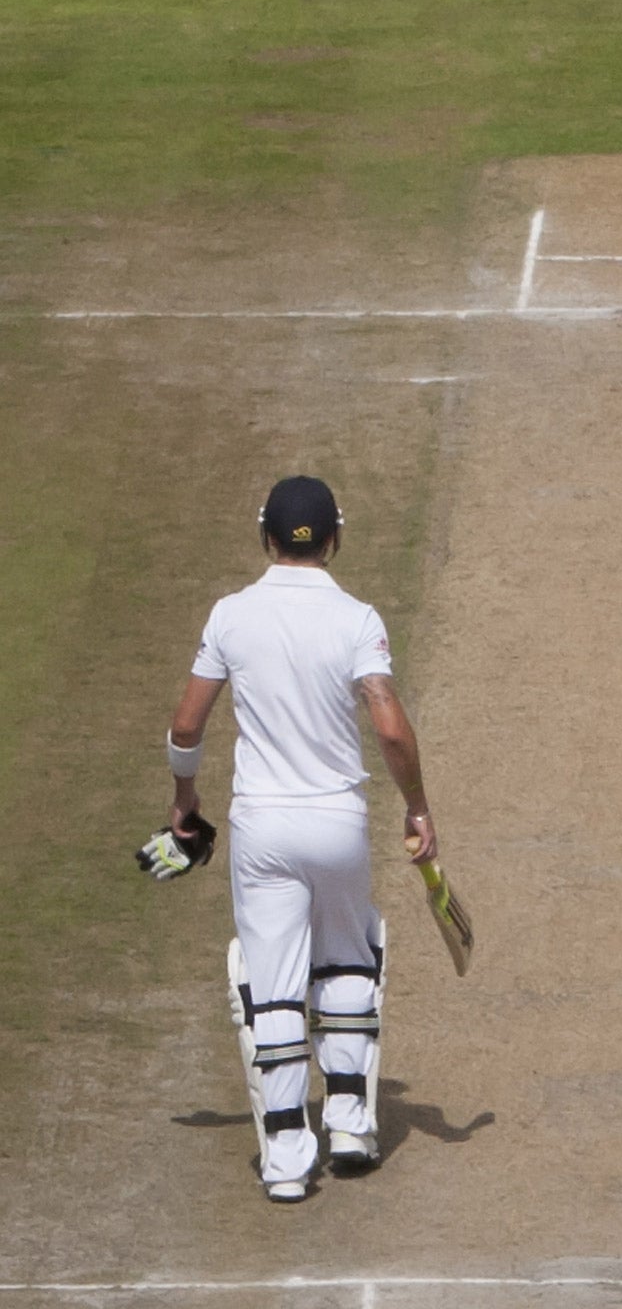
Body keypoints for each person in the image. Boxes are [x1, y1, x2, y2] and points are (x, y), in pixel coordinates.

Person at [146, 476, 439, 1201]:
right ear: (335, 538)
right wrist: (417, 808)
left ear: (264, 536)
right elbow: (391, 726)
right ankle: (349, 1123)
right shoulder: (357, 619)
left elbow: (187, 727)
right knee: (348, 958)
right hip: (337, 823)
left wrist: (185, 801)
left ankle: (284, 1155)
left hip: (262, 827)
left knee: (272, 984)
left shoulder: (231, 616)